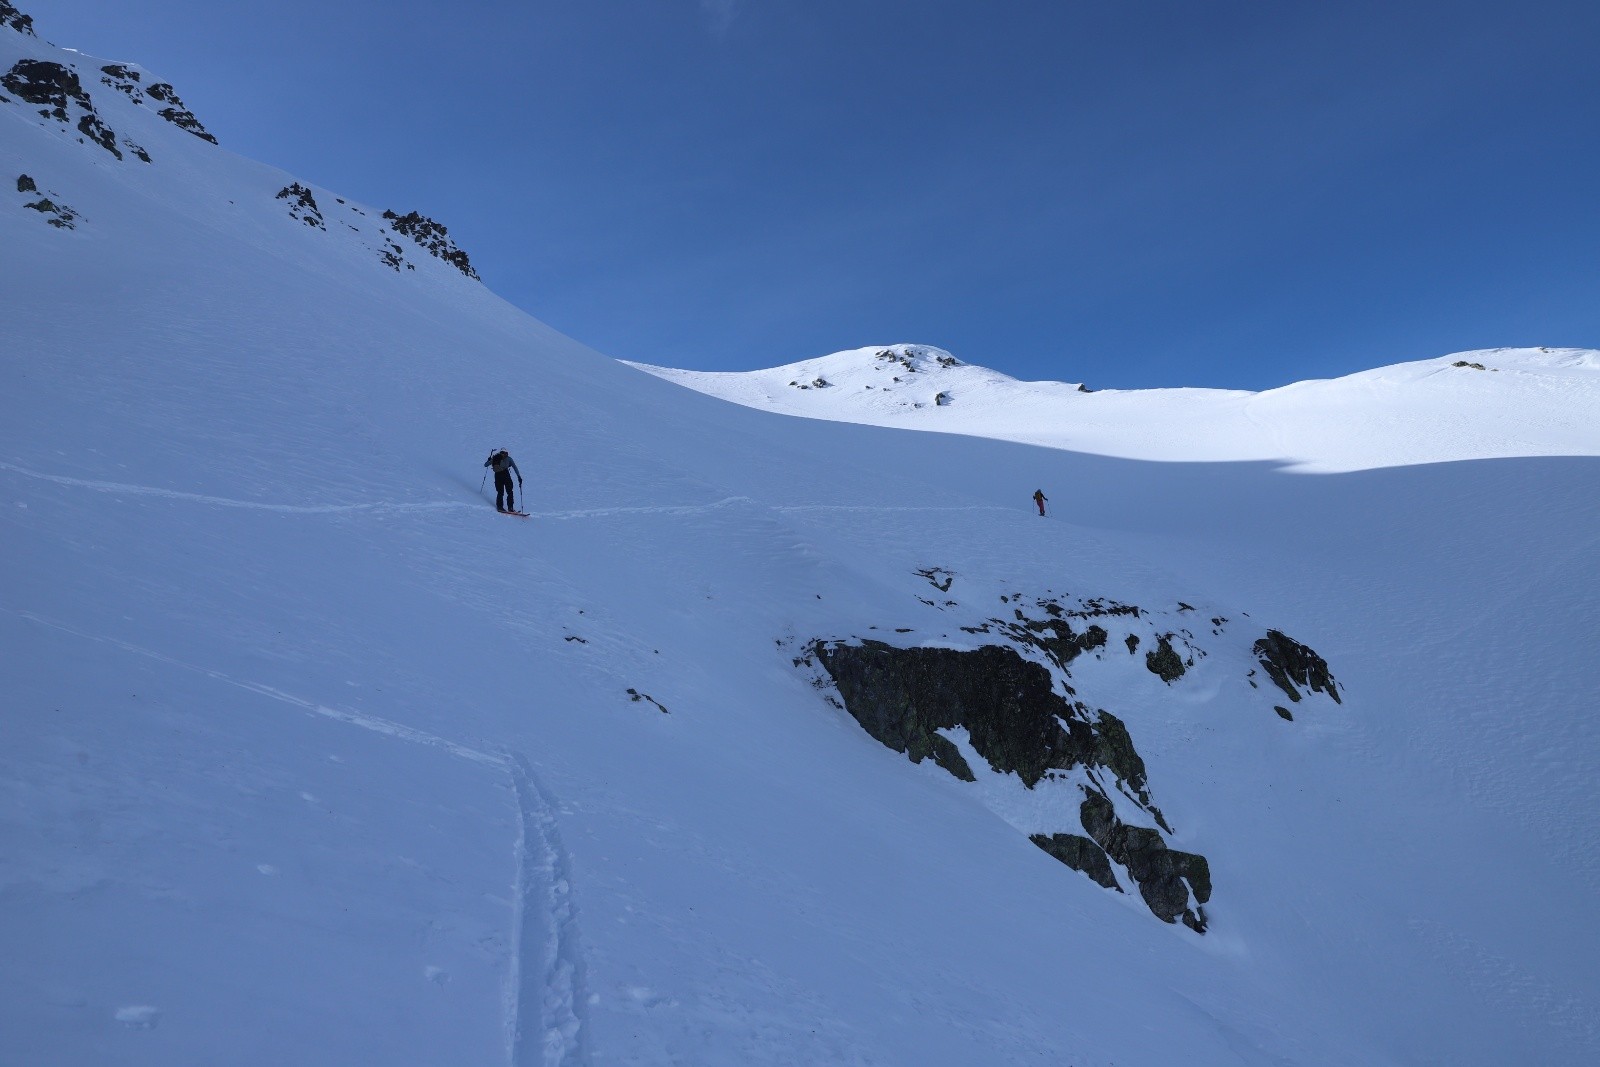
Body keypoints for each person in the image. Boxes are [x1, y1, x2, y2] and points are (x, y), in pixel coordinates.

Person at [484, 448, 523, 513]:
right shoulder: (509, 458)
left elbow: (485, 465)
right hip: (506, 475)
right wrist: (519, 476)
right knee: (510, 491)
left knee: (500, 492)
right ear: (506, 452)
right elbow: (514, 467)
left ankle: (500, 507)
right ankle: (510, 508)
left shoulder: (495, 457)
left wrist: (489, 460)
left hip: (497, 476)